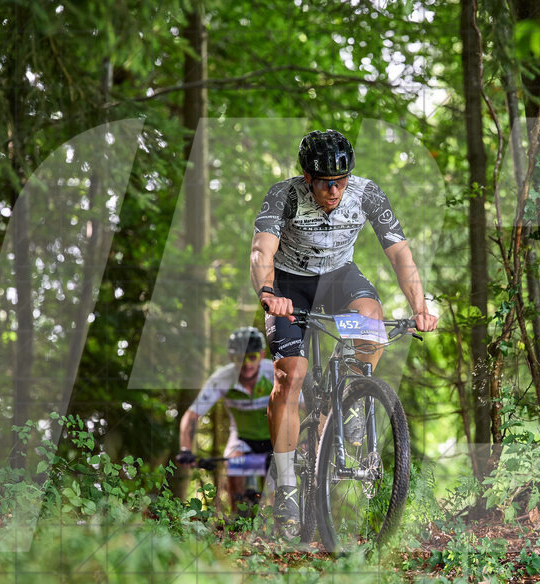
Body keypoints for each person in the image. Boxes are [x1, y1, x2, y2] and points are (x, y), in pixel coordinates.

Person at [251, 129, 438, 536]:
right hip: (288, 285)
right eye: (324, 182)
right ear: (307, 178)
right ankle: (286, 486)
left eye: (341, 181)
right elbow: (261, 251)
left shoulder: (367, 194)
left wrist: (420, 306)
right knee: (291, 375)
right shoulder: (283, 195)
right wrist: (268, 292)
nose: (334, 190)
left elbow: (399, 252)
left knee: (372, 321)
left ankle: (350, 397)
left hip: (339, 279)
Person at [176, 326, 274, 515]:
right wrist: (185, 449)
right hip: (242, 438)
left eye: (251, 357)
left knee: (275, 489)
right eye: (239, 358)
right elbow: (191, 415)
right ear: (231, 358)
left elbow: (302, 407)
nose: (246, 364)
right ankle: (239, 520)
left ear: (261, 355)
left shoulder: (274, 373)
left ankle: (276, 532)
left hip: (275, 439)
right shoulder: (222, 378)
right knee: (234, 465)